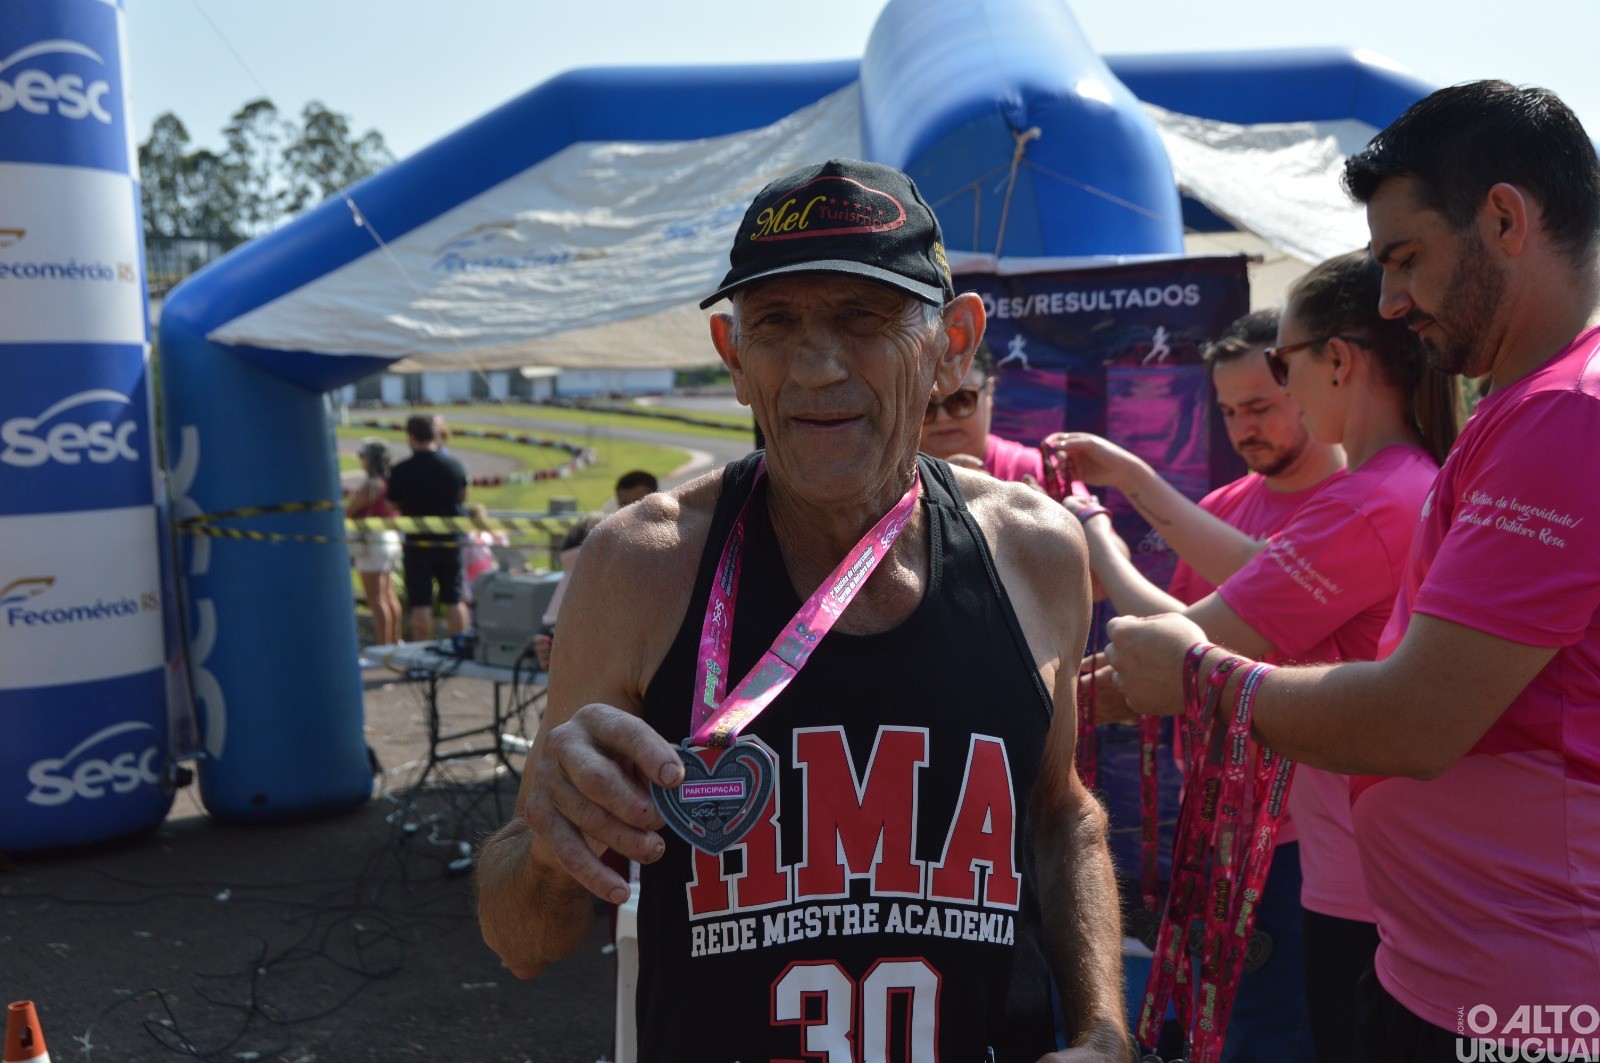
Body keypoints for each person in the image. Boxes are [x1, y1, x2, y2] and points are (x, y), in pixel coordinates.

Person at [477, 158, 1129, 1062]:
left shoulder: (1037, 550)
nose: (817, 367)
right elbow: (521, 939)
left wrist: (1103, 1028)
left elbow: (1061, 816)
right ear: (732, 355)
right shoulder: (639, 564)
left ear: (953, 341)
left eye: (863, 319)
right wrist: (550, 846)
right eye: (777, 323)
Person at [1105, 81, 1600, 1062]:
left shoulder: (1560, 417)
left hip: (1522, 1001)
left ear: (1505, 219)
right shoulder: (1521, 413)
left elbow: (1415, 720)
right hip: (1453, 969)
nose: (1388, 301)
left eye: (1404, 259)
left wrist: (1201, 679)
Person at [1063, 252, 1459, 1062]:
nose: (1264, 407)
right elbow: (1247, 579)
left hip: (1350, 867)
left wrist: (1096, 555)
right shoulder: (1398, 483)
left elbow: (1192, 641)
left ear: (1339, 361)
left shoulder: (1367, 499)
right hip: (1355, 853)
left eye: (1282, 366)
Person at [1054, 305, 1349, 1062]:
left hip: (1305, 837)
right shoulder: (1219, 509)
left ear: (1311, 381)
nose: (1244, 427)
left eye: (1261, 405)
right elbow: (1188, 635)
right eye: (1227, 411)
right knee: (1229, 1028)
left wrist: (1104, 534)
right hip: (1223, 822)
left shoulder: (1352, 507)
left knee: (1278, 1033)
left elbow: (1199, 644)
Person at [387, 413, 470, 641]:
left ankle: (422, 655)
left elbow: (391, 503)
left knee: (420, 602)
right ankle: (460, 647)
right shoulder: (454, 465)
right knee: (453, 599)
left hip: (417, 541)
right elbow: (463, 497)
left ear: (412, 437)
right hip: (449, 540)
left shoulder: (402, 470)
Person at [920, 341, 1046, 482]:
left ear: (989, 390)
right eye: (926, 406)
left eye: (961, 399)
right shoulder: (892, 482)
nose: (943, 418)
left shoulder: (1033, 470)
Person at [345, 438, 404, 647]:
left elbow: (349, 511)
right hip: (390, 539)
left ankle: (383, 646)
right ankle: (395, 642)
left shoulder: (371, 484)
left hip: (373, 542)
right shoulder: (389, 481)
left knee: (376, 598)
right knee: (388, 595)